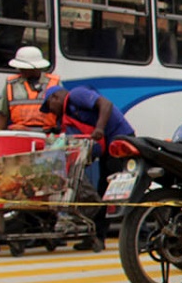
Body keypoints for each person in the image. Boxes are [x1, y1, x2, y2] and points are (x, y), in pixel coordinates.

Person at [41, 85, 137, 244]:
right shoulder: (67, 115)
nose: (51, 112)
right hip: (107, 145)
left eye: (49, 107)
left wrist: (99, 128)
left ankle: (139, 233)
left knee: (117, 188)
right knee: (105, 188)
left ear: (55, 98)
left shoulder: (76, 95)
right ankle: (98, 236)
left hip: (119, 138)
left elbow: (106, 105)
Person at [0, 46, 61, 132]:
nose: (20, 70)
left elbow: (63, 114)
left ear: (35, 68)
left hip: (48, 135)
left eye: (24, 68)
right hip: (19, 135)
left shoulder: (54, 82)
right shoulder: (11, 83)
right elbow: (3, 114)